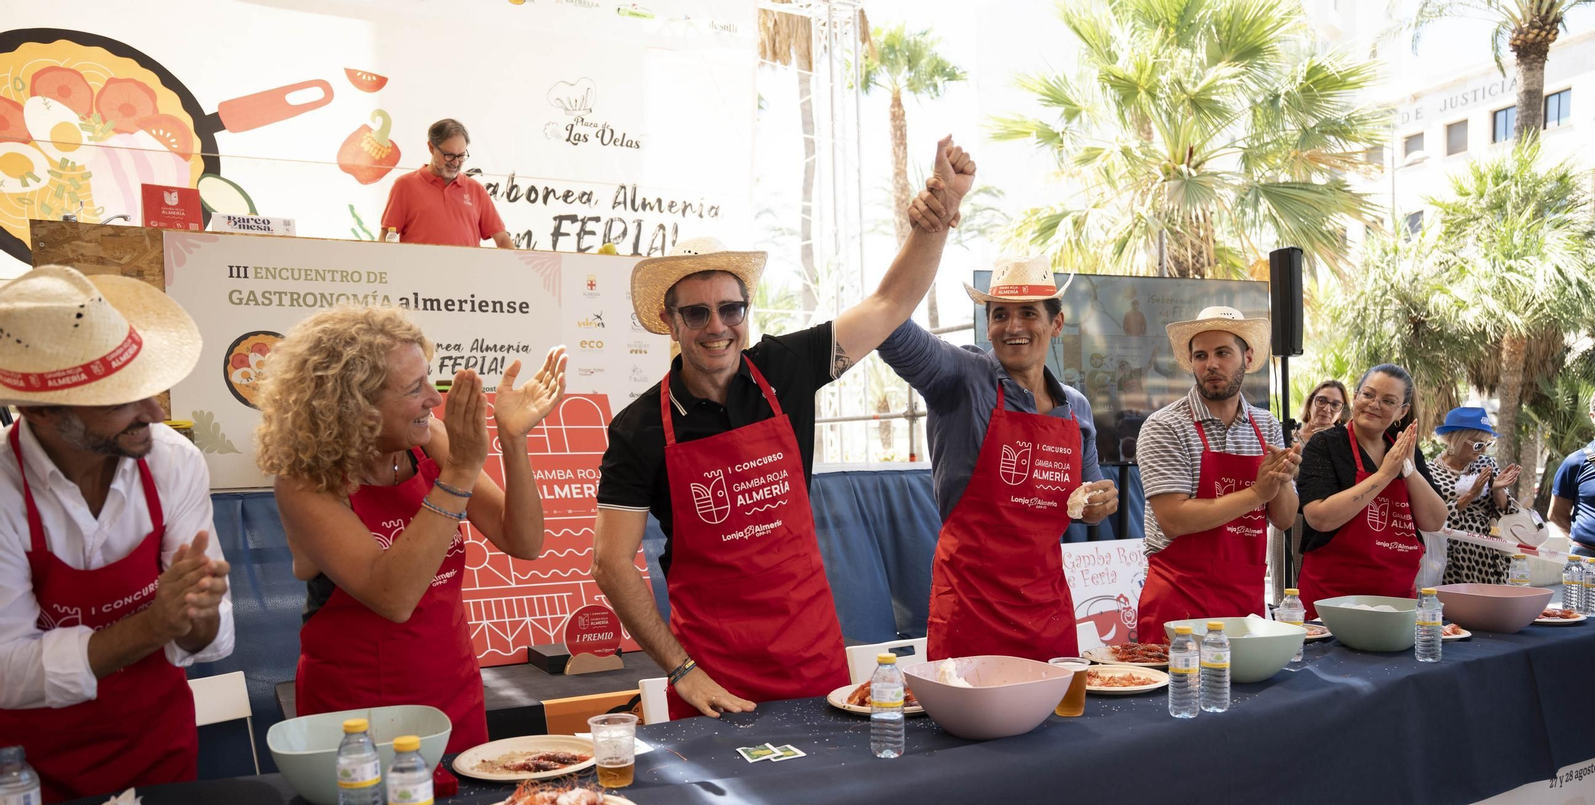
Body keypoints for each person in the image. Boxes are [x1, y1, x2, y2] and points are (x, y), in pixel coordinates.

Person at [592, 137, 975, 720]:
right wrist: (681, 670)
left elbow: (890, 302)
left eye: (731, 308)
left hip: (810, 659)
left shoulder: (785, 370)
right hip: (712, 678)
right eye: (696, 313)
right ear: (670, 321)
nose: (716, 326)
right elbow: (610, 562)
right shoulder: (640, 427)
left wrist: (938, 218)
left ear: (746, 312)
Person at [256, 306, 564, 755]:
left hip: (453, 693)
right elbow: (394, 598)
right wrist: (459, 470)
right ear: (355, 406)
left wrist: (513, 440)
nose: (434, 400)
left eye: (429, 378)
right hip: (358, 718)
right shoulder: (305, 483)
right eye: (413, 388)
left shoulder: (428, 440)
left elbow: (524, 541)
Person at [0, 266, 233, 802]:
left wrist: (195, 615)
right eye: (120, 400)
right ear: (40, 410)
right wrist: (153, 625)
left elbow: (205, 637)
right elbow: (9, 669)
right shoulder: (6, 492)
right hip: (26, 777)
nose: (153, 413)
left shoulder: (174, 464)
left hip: (158, 748)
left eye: (147, 388)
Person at [875, 247, 1118, 661]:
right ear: (987, 327)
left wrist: (1100, 503)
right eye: (1000, 314)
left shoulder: (1075, 408)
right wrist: (929, 234)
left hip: (1047, 609)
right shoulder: (961, 378)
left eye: (1027, 313)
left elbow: (1088, 493)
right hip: (970, 609)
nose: (1012, 327)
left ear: (1056, 322)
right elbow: (888, 330)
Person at [1134, 307, 1300, 640]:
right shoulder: (1165, 426)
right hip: (1178, 606)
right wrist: (1256, 493)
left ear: (1248, 358)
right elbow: (1174, 519)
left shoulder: (1266, 425)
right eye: (1200, 355)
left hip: (1245, 605)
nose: (1211, 364)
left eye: (1223, 353)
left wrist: (1280, 481)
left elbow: (1283, 519)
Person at [1296, 363, 1448, 618]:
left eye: (1389, 401)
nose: (1375, 404)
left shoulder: (1406, 450)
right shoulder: (1325, 445)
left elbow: (1434, 521)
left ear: (1402, 411)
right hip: (1330, 603)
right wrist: (1385, 474)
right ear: (1355, 397)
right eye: (1368, 394)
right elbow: (1319, 517)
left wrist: (1408, 467)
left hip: (1395, 604)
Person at [1269, 379, 1348, 602]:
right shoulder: (1287, 436)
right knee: (1283, 592)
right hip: (1289, 518)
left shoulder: (1342, 444)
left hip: (1325, 523)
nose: (1326, 408)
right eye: (1322, 400)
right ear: (1310, 402)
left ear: (1341, 411)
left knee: (1315, 593)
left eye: (1335, 404)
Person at [380, 118, 513, 249]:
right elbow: (385, 239)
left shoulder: (476, 190)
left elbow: (502, 239)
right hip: (419, 270)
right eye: (449, 155)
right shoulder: (404, 186)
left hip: (468, 271)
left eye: (461, 156)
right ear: (431, 148)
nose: (455, 163)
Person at [1426, 406, 1521, 585]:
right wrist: (1470, 495)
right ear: (1455, 440)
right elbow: (1430, 519)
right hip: (1451, 560)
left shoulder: (1487, 464)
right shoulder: (1430, 472)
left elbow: (1505, 512)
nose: (1483, 450)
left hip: (1489, 558)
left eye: (1488, 444)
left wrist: (1498, 490)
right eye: (1478, 444)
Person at [1549, 386, 1595, 558]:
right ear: (1592, 417)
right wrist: (1581, 541)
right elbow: (1555, 514)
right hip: (1589, 560)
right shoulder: (1576, 462)